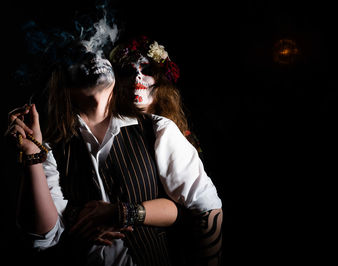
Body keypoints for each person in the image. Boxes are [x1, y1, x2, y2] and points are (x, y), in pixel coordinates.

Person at [5, 31, 222, 266]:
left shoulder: (156, 129)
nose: (93, 56)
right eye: (80, 55)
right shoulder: (51, 147)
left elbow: (206, 208)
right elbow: (43, 238)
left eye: (97, 51)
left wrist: (120, 213)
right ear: (63, 80)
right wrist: (32, 155)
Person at [109, 35, 223, 265]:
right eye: (128, 71)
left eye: (146, 69)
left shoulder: (163, 129)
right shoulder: (111, 131)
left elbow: (206, 207)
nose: (137, 76)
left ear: (161, 81)